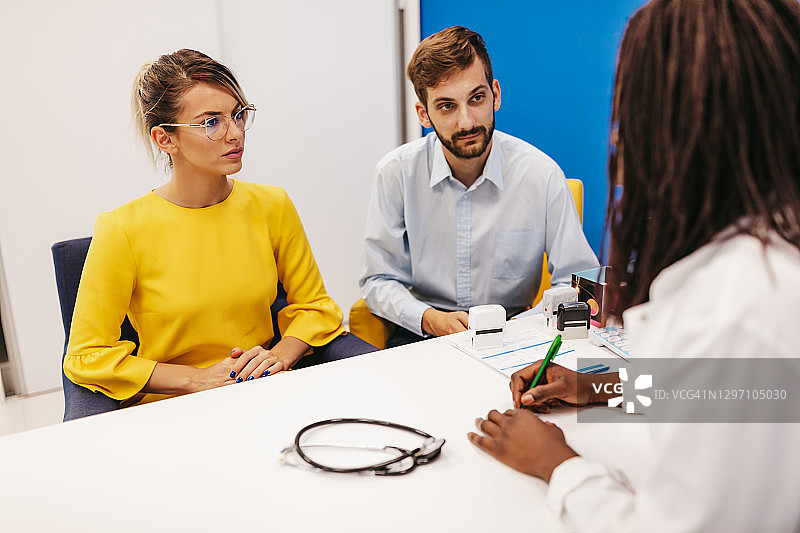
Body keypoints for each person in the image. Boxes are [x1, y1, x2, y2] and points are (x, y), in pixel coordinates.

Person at [469, 0, 800, 531]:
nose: (619, 138)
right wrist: (598, 389)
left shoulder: (739, 305)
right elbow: (745, 392)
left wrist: (558, 465)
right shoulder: (770, 261)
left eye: (631, 112)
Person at [64, 49, 376, 410]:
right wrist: (195, 379)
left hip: (264, 391)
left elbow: (316, 307)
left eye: (238, 115)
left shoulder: (272, 205)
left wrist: (279, 356)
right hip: (175, 407)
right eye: (212, 122)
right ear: (165, 139)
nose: (235, 133)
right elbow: (86, 356)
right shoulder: (122, 229)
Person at [359, 26, 598, 348]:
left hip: (519, 332)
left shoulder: (541, 174)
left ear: (495, 94)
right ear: (423, 114)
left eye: (477, 98)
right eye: (446, 106)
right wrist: (430, 319)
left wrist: (521, 328)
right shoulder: (395, 173)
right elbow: (379, 280)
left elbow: (580, 282)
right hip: (424, 333)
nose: (467, 122)